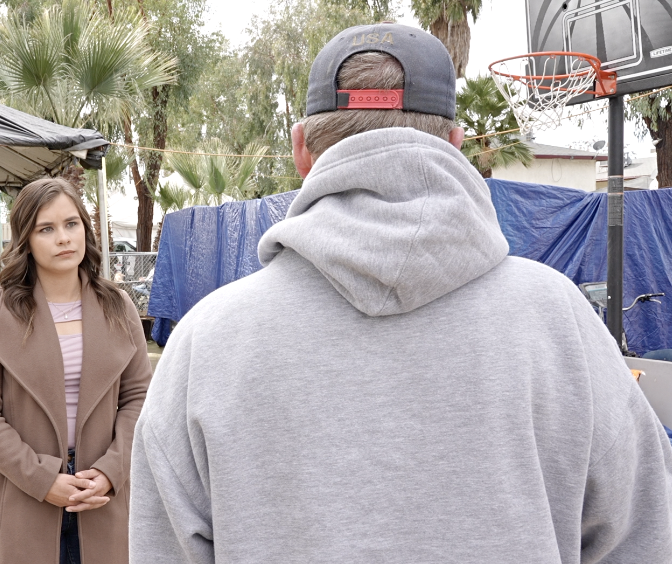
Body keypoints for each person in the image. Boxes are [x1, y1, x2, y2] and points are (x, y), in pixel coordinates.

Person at [129, 23, 672, 564]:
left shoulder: (207, 343)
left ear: (301, 149)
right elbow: (643, 533)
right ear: (456, 144)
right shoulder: (560, 321)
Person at [0, 178, 152, 564]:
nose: (63, 238)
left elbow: (140, 398)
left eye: (71, 224)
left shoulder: (118, 305)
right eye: (46, 229)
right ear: (25, 240)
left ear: (85, 228)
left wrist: (113, 470)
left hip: (100, 495)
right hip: (20, 495)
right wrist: (42, 479)